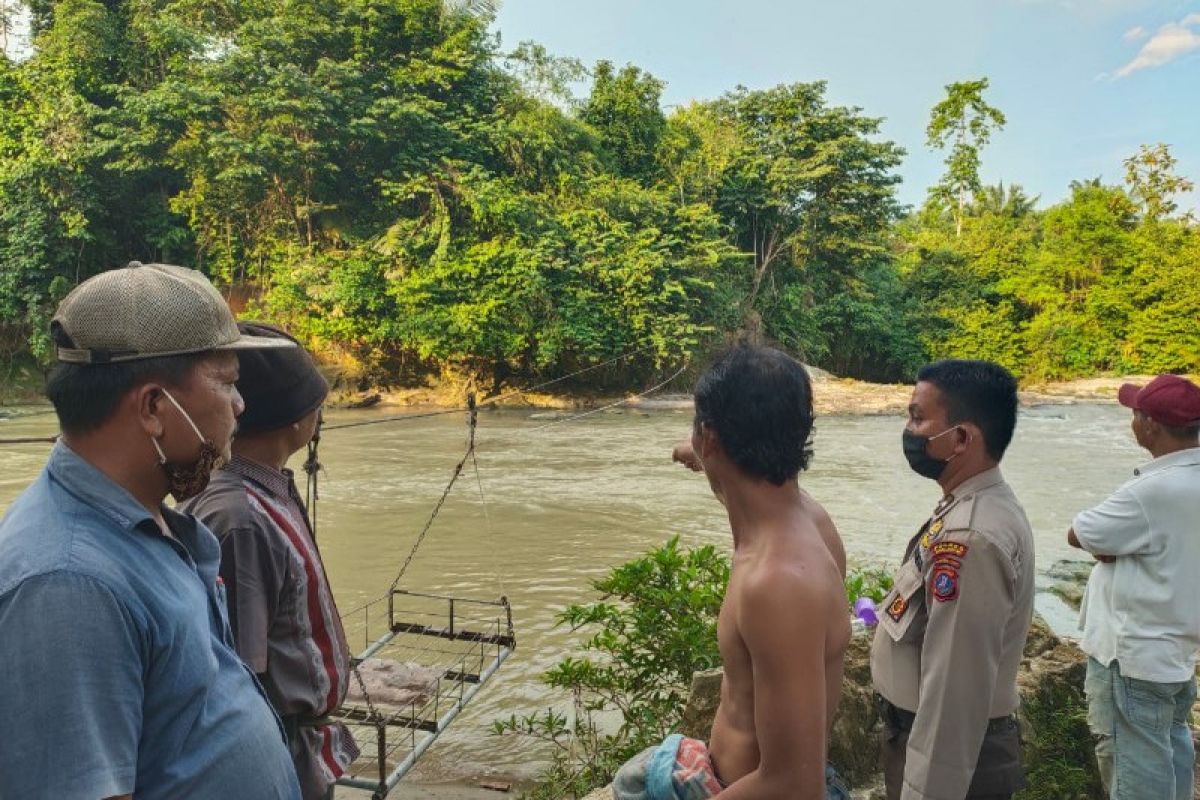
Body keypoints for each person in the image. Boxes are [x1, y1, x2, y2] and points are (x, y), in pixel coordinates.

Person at [0, 262, 301, 799]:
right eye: (227, 383)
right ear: (154, 408)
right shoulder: (68, 582)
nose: (240, 406)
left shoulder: (148, 524)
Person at [617, 345, 851, 800]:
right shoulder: (805, 518)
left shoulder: (777, 582)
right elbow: (738, 480)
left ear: (712, 438)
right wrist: (695, 451)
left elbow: (795, 785)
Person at [181, 322, 358, 800]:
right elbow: (240, 671)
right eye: (314, 400)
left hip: (300, 745)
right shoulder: (240, 516)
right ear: (291, 416)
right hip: (275, 752)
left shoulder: (266, 488)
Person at [871, 359, 1033, 800]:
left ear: (961, 438)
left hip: (953, 759)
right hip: (943, 747)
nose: (908, 428)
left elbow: (953, 694)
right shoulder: (968, 506)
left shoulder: (971, 537)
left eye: (919, 418)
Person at [1067, 374, 1200, 800]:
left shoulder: (1152, 490)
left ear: (1151, 425)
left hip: (1132, 658)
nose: (1132, 422)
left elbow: (1080, 533)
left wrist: (1116, 549)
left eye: (1135, 414)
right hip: (1177, 652)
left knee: (1134, 772)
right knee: (1172, 756)